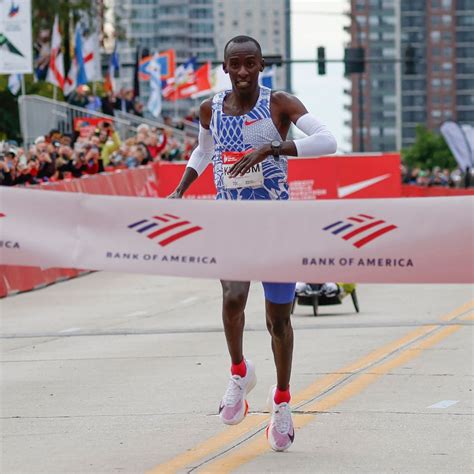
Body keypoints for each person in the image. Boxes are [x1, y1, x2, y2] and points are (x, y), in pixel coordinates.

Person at [169, 35, 337, 452]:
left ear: (262, 65)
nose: (243, 71)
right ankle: (240, 372)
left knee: (278, 321)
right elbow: (203, 152)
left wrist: (274, 148)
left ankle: (281, 401)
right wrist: (181, 189)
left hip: (276, 226)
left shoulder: (279, 104)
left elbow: (328, 141)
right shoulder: (212, 108)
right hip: (233, 224)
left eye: (250, 64)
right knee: (231, 299)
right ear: (224, 68)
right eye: (235, 65)